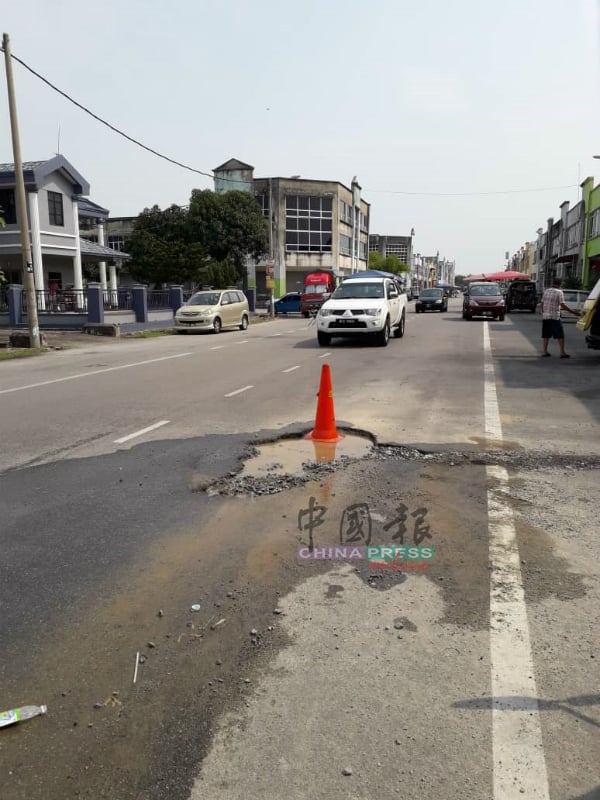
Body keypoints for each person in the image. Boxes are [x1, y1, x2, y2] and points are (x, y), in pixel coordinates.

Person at [540, 278, 581, 358]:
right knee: (560, 335)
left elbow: (542, 303)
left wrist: (543, 312)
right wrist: (574, 312)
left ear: (553, 283)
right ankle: (562, 353)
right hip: (555, 317)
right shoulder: (559, 292)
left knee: (546, 335)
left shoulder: (546, 291)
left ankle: (545, 352)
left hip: (546, 317)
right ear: (559, 284)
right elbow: (562, 305)